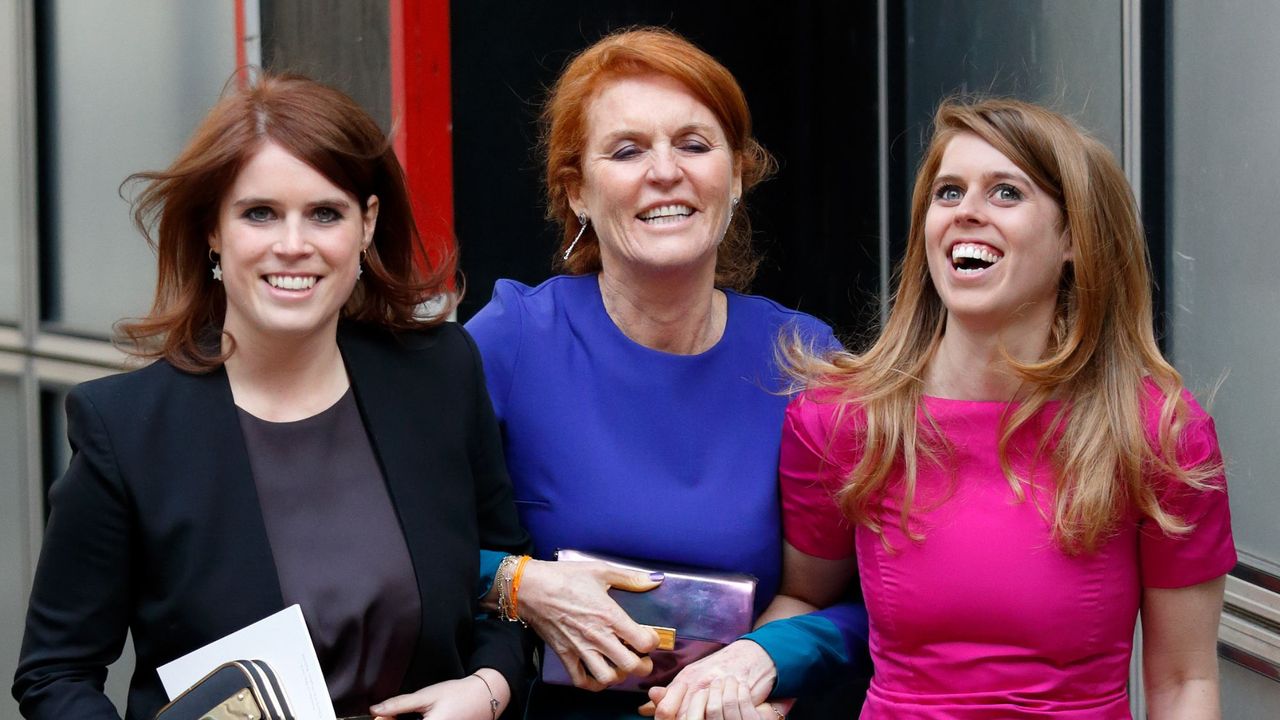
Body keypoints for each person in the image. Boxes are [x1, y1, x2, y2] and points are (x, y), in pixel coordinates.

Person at [12, 73, 530, 720]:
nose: (293, 245)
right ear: (212, 230)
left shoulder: (441, 376)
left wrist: (486, 687)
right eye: (260, 213)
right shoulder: (126, 429)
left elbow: (504, 583)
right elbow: (55, 674)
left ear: (366, 224)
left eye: (325, 213)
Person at [771, 98, 1235, 717]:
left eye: (1006, 193)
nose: (966, 213)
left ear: (1072, 238)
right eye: (948, 192)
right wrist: (752, 670)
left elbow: (1184, 682)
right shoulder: (841, 420)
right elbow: (807, 604)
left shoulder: (1155, 432)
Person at [462, 27, 868, 720]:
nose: (665, 171)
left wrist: (770, 663)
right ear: (578, 191)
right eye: (627, 151)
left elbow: (883, 599)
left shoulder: (805, 360)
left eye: (694, 144)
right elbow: (396, 544)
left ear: (736, 175)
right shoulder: (511, 342)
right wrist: (519, 583)